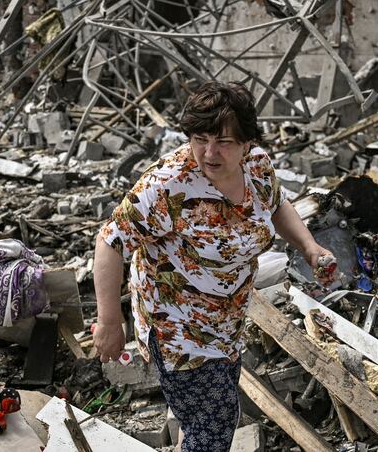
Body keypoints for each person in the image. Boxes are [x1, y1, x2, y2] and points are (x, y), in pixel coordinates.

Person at [92, 81, 334, 452]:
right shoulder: (167, 185)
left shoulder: (257, 167)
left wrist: (309, 246)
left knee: (204, 421)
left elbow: (277, 204)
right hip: (178, 329)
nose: (209, 152)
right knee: (213, 428)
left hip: (228, 323)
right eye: (200, 138)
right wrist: (110, 320)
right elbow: (110, 242)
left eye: (223, 142)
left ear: (246, 142)